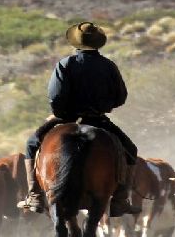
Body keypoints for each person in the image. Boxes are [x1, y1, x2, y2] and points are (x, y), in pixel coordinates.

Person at [19, 21, 141, 217]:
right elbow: (120, 97)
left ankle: (35, 195)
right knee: (130, 150)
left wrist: (60, 114)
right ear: (98, 42)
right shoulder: (108, 66)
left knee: (32, 144)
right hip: (98, 119)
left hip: (66, 119)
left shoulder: (65, 64)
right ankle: (120, 199)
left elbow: (55, 96)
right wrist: (104, 107)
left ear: (76, 42)